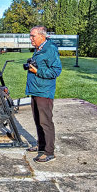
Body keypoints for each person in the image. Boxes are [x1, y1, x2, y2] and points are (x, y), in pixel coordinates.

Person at [25, 26, 62, 163]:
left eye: (32, 36)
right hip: (36, 89)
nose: (30, 38)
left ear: (42, 36)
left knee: (45, 121)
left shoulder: (50, 49)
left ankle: (49, 152)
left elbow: (56, 71)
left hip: (44, 91)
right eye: (30, 36)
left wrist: (37, 71)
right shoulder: (39, 49)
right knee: (38, 120)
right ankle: (41, 146)